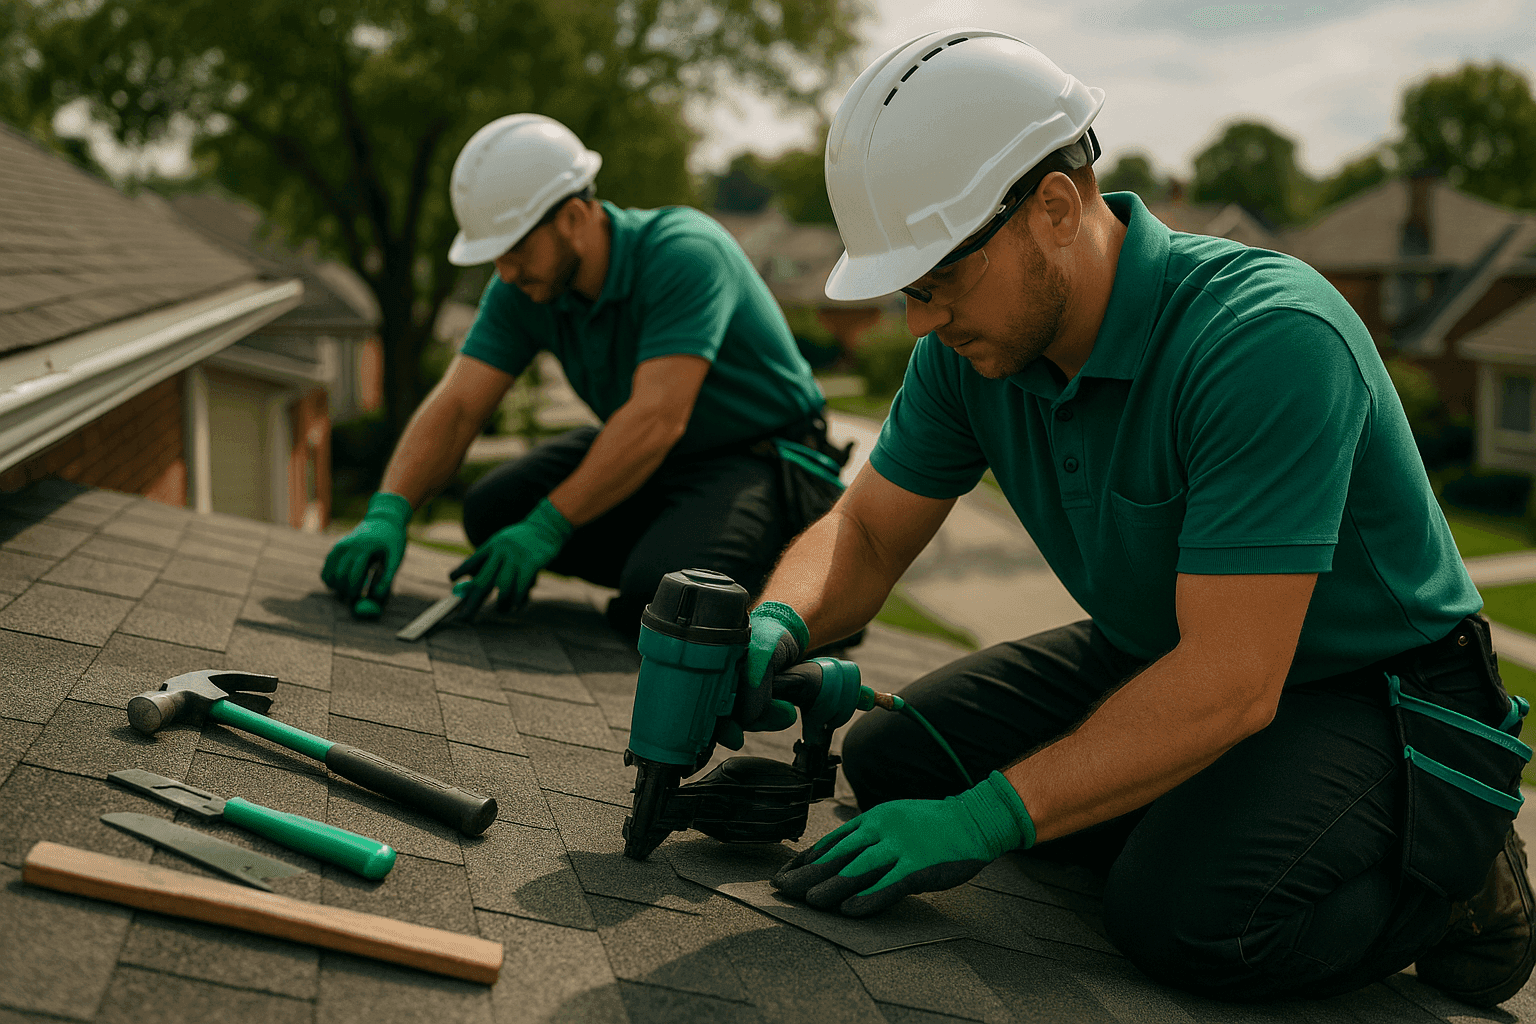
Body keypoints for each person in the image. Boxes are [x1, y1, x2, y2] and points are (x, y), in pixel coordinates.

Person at [748, 29, 1536, 1006]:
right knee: (897, 763)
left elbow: (1234, 678)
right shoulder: (969, 353)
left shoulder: (1264, 338)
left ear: (1054, 208)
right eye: (909, 288)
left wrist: (990, 820)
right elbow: (864, 536)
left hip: (1372, 692)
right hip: (1170, 647)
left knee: (1184, 917)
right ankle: (1181, 800)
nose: (920, 320)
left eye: (939, 278)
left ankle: (1456, 865)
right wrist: (773, 622)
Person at [321, 113, 846, 635]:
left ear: (573, 217)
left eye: (517, 248)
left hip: (768, 464)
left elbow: (657, 418)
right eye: (494, 256)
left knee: (665, 595)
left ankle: (806, 583)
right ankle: (672, 563)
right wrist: (388, 511)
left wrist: (547, 528)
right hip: (669, 461)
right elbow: (459, 407)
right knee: (493, 512)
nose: (504, 272)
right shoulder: (524, 288)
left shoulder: (683, 254)